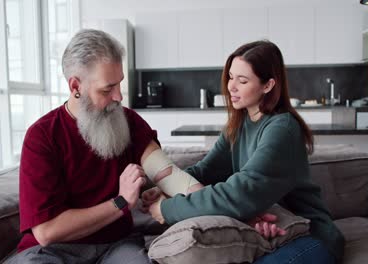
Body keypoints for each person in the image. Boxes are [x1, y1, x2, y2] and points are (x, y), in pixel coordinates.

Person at [5, 28, 206, 264]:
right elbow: (47, 232)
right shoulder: (42, 136)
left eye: (119, 84)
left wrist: (235, 213)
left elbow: (170, 175)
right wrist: (120, 203)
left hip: (117, 246)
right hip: (53, 251)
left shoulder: (129, 122)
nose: (119, 96)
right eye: (107, 89)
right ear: (75, 86)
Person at [144, 40, 345, 264]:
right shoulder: (238, 124)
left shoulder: (282, 129)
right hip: (272, 233)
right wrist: (163, 188)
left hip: (310, 238)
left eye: (242, 80)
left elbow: (240, 192)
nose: (231, 87)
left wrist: (168, 208)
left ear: (267, 85)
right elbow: (204, 171)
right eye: (231, 77)